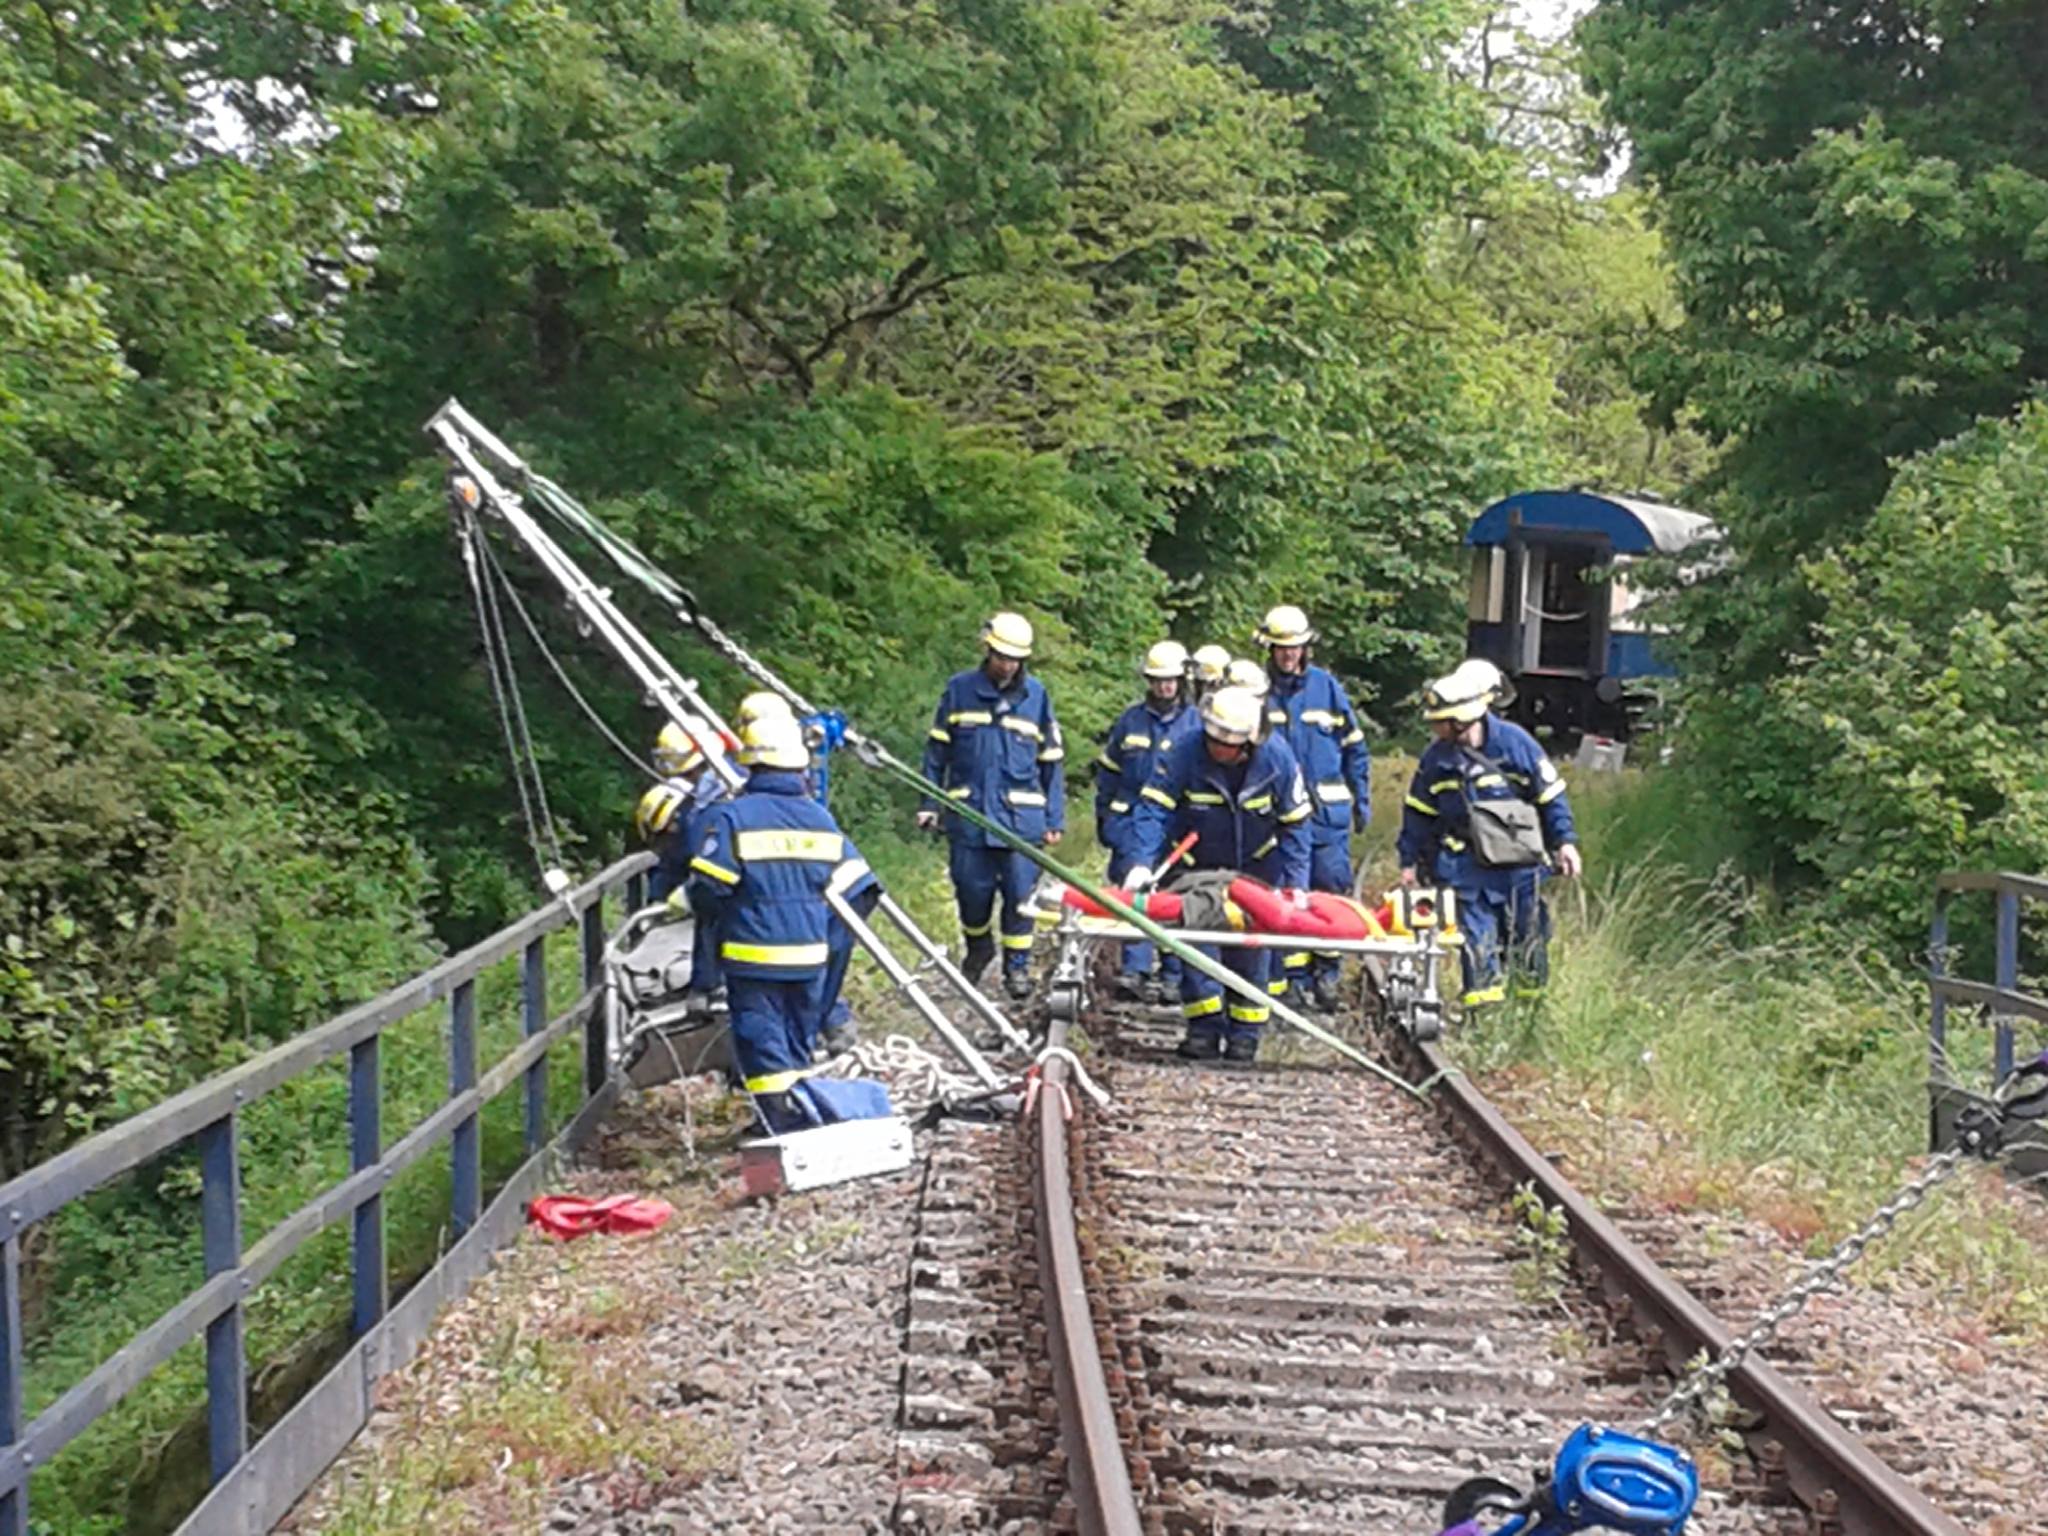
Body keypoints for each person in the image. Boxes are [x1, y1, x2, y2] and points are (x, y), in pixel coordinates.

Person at [685, 714, 878, 1132]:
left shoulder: (734, 817)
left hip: (753, 957)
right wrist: (829, 944)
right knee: (797, 1044)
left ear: (752, 764)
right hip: (810, 957)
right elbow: (858, 889)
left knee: (762, 1043)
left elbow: (708, 888)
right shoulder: (821, 819)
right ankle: (802, 1115)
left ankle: (779, 1123)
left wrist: (711, 944)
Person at [1124, 685, 1312, 1065]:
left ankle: (1245, 1036)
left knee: (1251, 951)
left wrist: (1296, 885)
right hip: (1198, 870)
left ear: (1248, 743)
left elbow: (1295, 825)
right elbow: (1153, 810)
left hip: (1257, 869)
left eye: (1227, 744)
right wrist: (1142, 863)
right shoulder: (1183, 752)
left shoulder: (1277, 760)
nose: (1217, 749)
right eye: (1213, 740)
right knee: (1196, 948)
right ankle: (1203, 1030)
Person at [1396, 665, 1581, 1009]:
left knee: (1528, 942)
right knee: (1477, 945)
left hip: (1520, 870)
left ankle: (1529, 1015)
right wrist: (1409, 862)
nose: (1434, 728)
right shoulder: (1436, 759)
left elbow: (1551, 797)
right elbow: (1418, 813)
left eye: (1440, 722)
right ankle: (1484, 1015)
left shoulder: (1516, 744)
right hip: (1466, 869)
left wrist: (1565, 842)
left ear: (1461, 721)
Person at [917, 611, 1066, 999]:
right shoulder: (959, 690)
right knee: (971, 892)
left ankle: (1017, 968)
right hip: (970, 816)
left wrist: (1054, 818)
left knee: (1020, 897)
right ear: (988, 650)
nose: (1008, 665)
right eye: (1002, 657)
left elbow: (1051, 763)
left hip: (1022, 822)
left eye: (1015, 659)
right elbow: (936, 753)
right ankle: (979, 947)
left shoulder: (1037, 697)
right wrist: (929, 803)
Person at [1255, 604, 1372, 1012]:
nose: (1289, 654)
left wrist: (1361, 798)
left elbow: (1354, 747)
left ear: (1306, 648)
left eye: (1295, 647)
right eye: (1281, 647)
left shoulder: (1327, 688)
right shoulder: (1257, 691)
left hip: (1326, 817)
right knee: (1284, 894)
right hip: (1276, 816)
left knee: (1329, 891)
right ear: (1270, 649)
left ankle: (1327, 972)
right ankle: (1293, 978)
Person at [1095, 641, 1196, 1001]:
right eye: (1158, 680)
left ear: (1181, 680)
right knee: (1134, 894)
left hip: (1176, 826)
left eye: (1170, 680)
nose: (1165, 686)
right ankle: (1135, 970)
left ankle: (1173, 974)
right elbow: (1108, 773)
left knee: (1174, 896)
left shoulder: (1195, 723)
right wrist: (1105, 819)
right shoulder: (1130, 721)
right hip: (1131, 823)